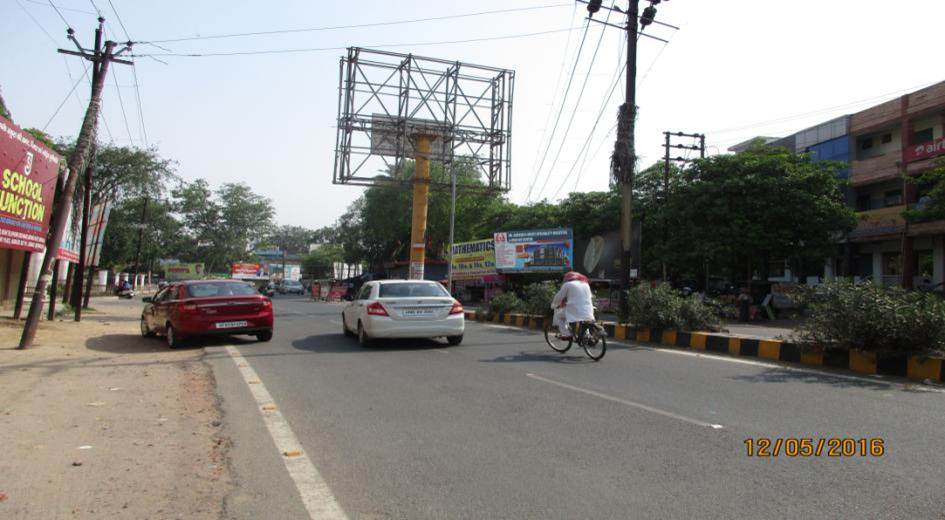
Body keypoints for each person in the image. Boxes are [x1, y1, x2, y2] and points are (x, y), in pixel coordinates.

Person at [551, 271, 594, 340]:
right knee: (584, 320)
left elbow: (559, 297)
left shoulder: (568, 284)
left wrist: (553, 305)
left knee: (559, 316)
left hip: (574, 310)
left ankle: (566, 334)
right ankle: (586, 335)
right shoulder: (585, 284)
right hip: (588, 309)